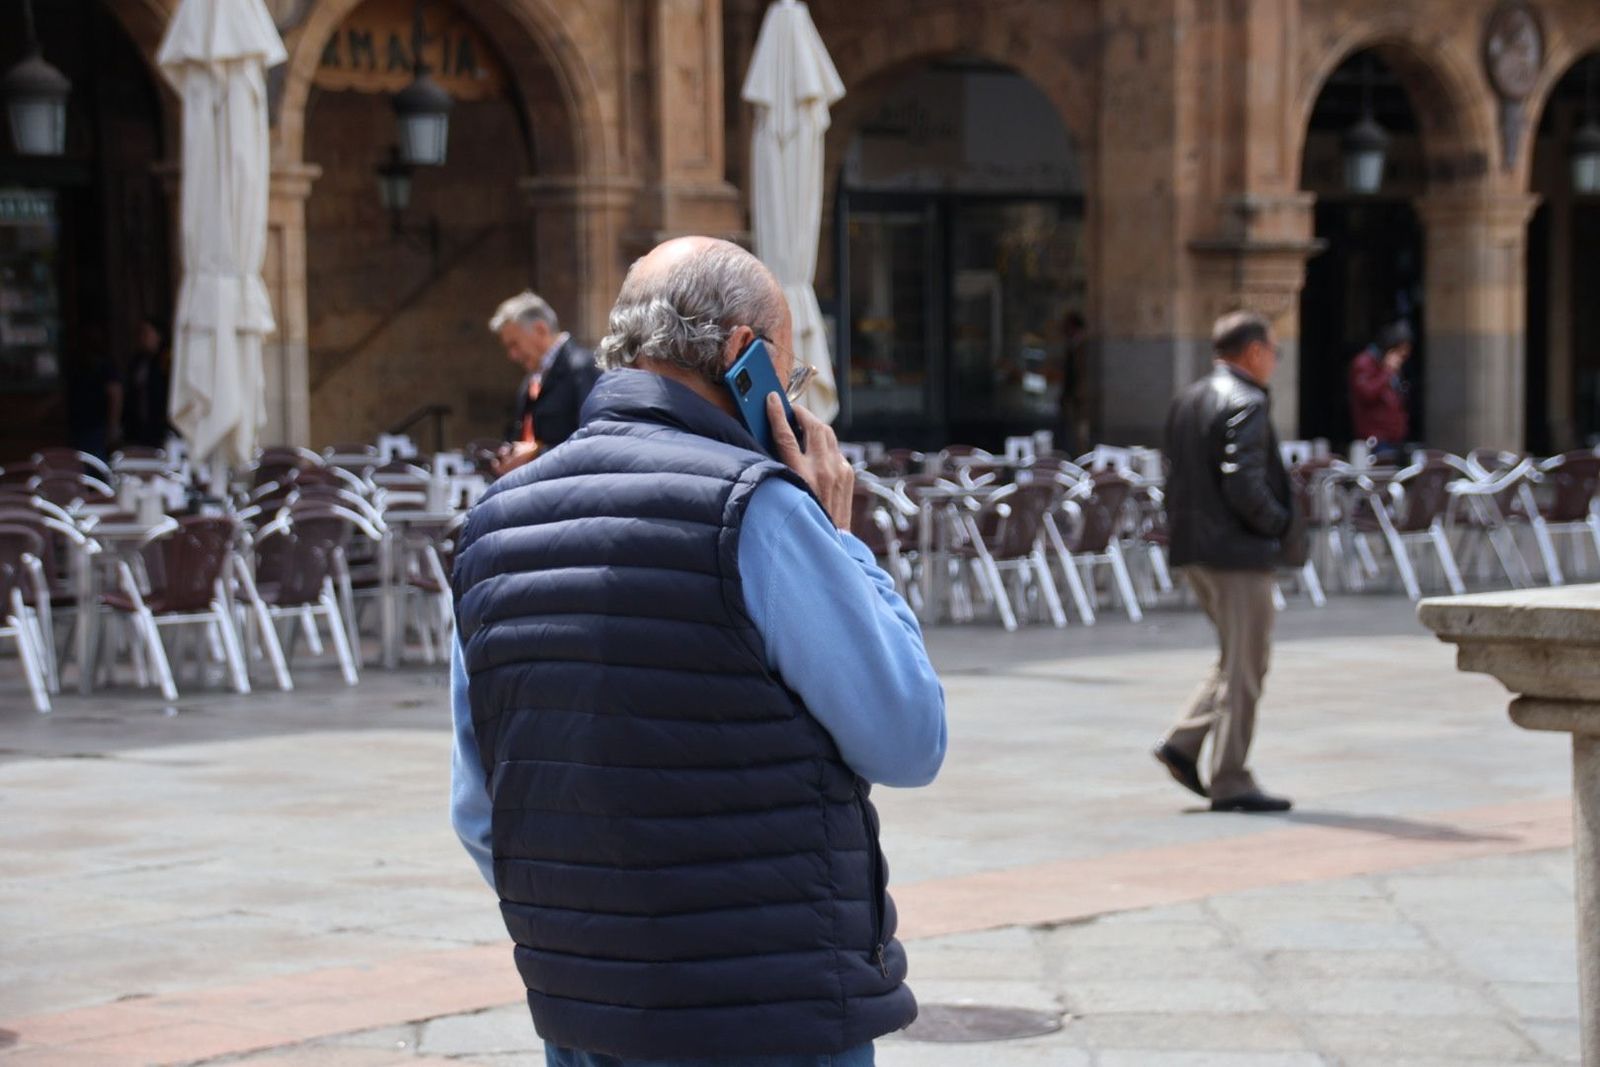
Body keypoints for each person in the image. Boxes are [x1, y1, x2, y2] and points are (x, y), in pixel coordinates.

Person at [450, 237, 948, 1067]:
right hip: (769, 1009)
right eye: (786, 382)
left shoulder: (492, 524)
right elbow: (908, 735)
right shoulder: (759, 512)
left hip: (586, 1008)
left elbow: (479, 808)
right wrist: (841, 541)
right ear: (740, 357)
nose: (789, 406)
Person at [1152, 310, 1302, 814]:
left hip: (1196, 549)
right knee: (1248, 665)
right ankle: (1232, 777)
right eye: (1274, 352)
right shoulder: (1246, 401)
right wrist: (1279, 522)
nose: (1275, 362)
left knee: (1234, 659)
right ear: (1254, 351)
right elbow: (1243, 480)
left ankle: (1183, 743)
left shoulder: (1189, 397)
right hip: (1236, 553)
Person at [487, 290, 599, 475]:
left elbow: (592, 442)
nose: (512, 355)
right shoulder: (532, 380)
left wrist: (537, 453)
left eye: (515, 344)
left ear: (540, 330)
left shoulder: (582, 368)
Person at [1348, 319, 1413, 462]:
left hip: (1395, 439)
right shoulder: (1365, 363)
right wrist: (1387, 372)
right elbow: (1367, 394)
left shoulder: (1390, 369)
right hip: (1376, 440)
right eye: (1400, 353)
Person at [117, 317, 173, 449]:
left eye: (146, 333)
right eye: (140, 333)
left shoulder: (167, 360)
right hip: (138, 427)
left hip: (161, 426)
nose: (142, 337)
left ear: (159, 335)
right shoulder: (138, 362)